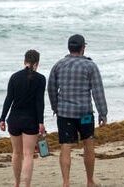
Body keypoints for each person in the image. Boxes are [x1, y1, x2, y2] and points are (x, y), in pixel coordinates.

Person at [48, 34, 108, 187]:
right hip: (85, 113)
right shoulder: (90, 66)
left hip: (65, 113)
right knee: (88, 144)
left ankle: (66, 183)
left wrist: (56, 107)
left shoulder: (58, 65)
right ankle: (89, 181)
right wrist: (103, 113)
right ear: (83, 48)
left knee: (65, 147)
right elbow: (98, 91)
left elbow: (51, 89)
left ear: (69, 48)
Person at [0, 49, 46, 187]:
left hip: (14, 119)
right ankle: (26, 185)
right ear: (37, 63)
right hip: (30, 120)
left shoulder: (14, 77)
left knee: (16, 153)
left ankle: (16, 183)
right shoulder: (41, 79)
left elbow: (9, 99)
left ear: (24, 61)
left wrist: (2, 118)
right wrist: (41, 122)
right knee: (28, 154)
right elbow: (40, 102)